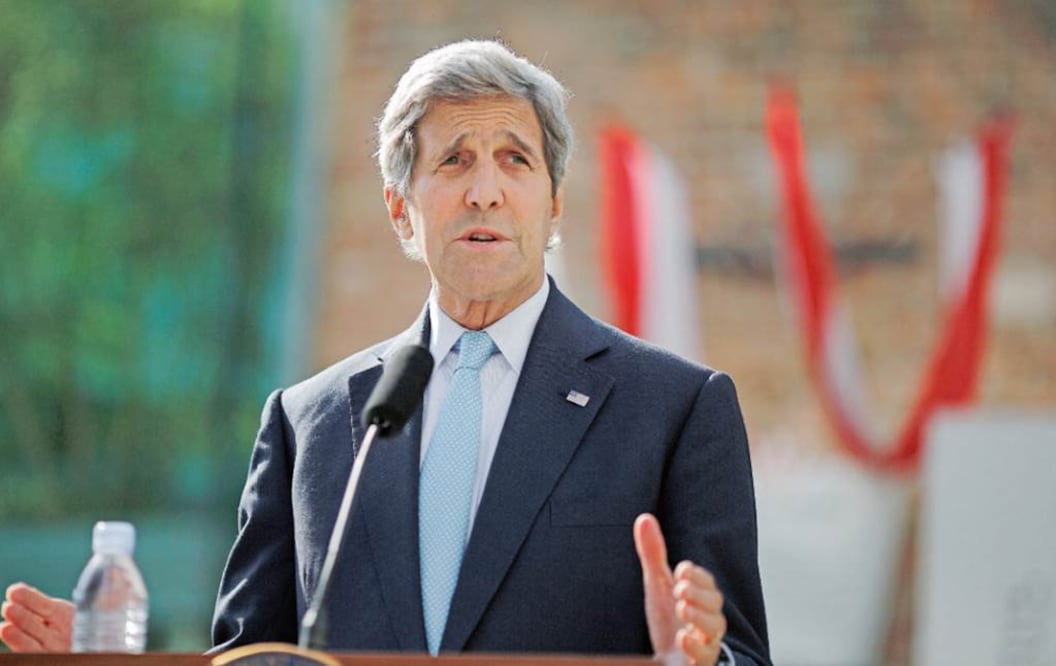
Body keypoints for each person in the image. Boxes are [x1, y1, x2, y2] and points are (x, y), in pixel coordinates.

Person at [1, 40, 769, 665]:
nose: (485, 191)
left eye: (515, 159)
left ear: (555, 203)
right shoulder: (309, 424)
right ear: (402, 209)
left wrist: (699, 663)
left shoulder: (674, 409)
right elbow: (252, 657)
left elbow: (738, 653)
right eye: (454, 160)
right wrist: (103, 664)